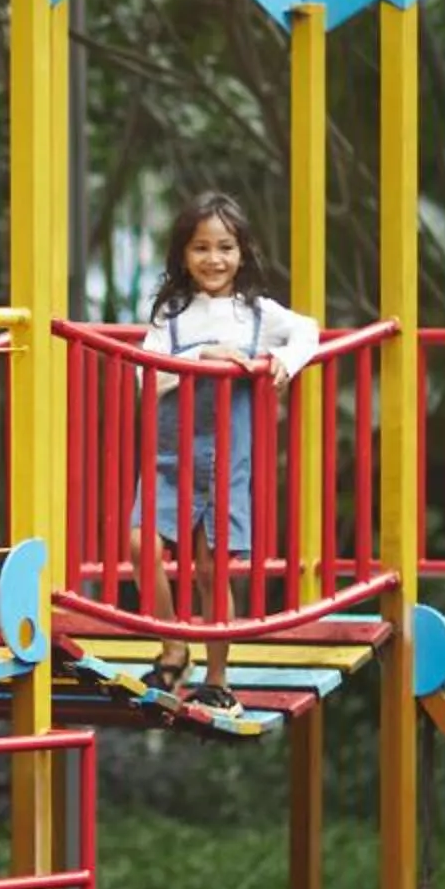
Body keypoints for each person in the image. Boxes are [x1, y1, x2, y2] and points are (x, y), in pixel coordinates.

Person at [134, 192, 321, 717]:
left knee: (212, 570)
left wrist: (284, 358)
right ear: (182, 255)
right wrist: (200, 357)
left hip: (224, 460)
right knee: (139, 544)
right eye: (200, 248)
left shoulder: (257, 314)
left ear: (242, 253)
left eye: (225, 247)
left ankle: (217, 679)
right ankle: (173, 645)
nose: (213, 259)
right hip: (171, 455)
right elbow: (144, 373)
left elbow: (308, 331)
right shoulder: (171, 317)